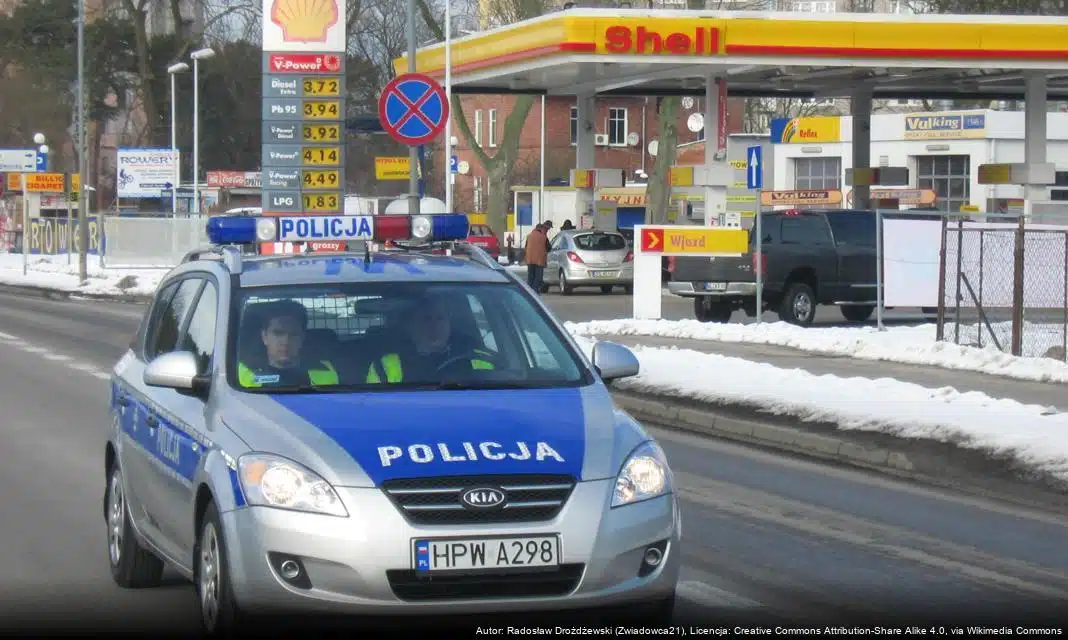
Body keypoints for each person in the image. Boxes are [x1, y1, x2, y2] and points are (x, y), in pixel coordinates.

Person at [366, 293, 496, 383]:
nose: (435, 325)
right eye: (426, 319)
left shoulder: (478, 359)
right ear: (411, 326)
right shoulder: (383, 367)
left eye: (440, 318)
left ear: (449, 324)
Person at [236, 300, 340, 388]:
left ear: (302, 338)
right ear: (264, 337)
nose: (286, 341)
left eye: (294, 334)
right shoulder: (239, 373)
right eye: (278, 333)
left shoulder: (326, 370)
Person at [524, 223, 548, 292]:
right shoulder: (543, 237)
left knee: (530, 277)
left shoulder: (529, 236)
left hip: (530, 260)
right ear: (541, 229)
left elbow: (525, 247)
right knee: (538, 278)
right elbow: (548, 248)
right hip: (539, 260)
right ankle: (535, 291)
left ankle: (529, 292)